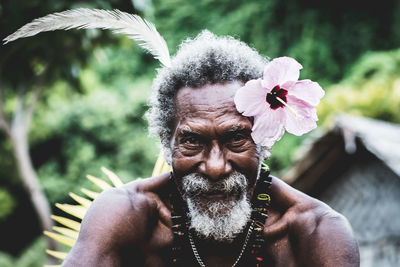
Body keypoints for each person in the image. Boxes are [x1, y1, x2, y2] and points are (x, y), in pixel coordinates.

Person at [59, 31, 360, 267]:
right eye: (192, 142)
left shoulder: (316, 233)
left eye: (236, 140)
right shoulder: (126, 215)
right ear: (167, 142)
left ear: (264, 139)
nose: (215, 167)